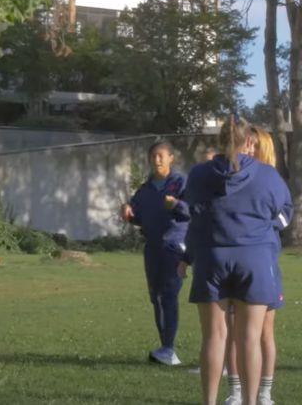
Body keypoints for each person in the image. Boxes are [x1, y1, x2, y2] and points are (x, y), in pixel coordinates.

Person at [184, 116, 291, 405]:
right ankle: (251, 402)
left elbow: (191, 209)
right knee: (250, 338)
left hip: (213, 257)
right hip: (254, 259)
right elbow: (283, 211)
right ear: (249, 142)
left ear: (218, 141)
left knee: (214, 338)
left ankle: (210, 401)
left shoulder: (199, 174)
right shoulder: (269, 176)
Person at [222, 126, 287, 405]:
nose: (247, 149)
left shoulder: (270, 178)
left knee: (263, 332)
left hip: (264, 262)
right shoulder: (229, 176)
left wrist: (263, 224)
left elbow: (285, 215)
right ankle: (235, 391)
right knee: (233, 330)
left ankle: (264, 393)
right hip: (233, 263)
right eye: (244, 144)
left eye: (252, 145)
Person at [121, 141, 188, 365]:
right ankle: (165, 348)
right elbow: (139, 215)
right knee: (156, 298)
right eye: (153, 156)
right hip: (153, 248)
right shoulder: (145, 189)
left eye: (161, 156)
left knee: (169, 295)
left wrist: (177, 205)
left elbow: (194, 210)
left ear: (171, 158)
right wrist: (128, 212)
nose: (156, 160)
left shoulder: (181, 183)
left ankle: (169, 349)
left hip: (174, 247)